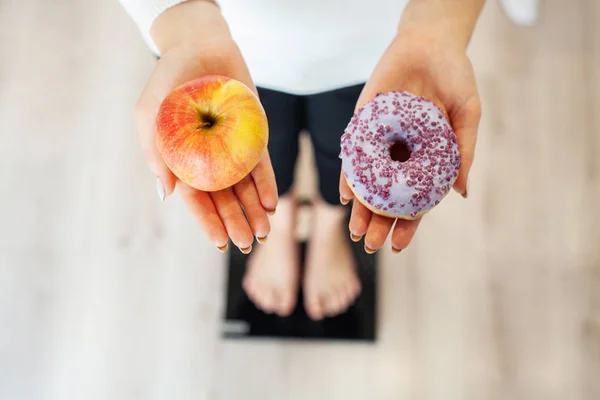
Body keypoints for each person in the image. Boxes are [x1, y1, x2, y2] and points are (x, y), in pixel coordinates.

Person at [120, 0, 484, 320]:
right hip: (223, 44)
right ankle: (279, 224)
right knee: (262, 152)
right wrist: (182, 23)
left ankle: (328, 225)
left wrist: (441, 21)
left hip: (383, 47)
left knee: (341, 155)